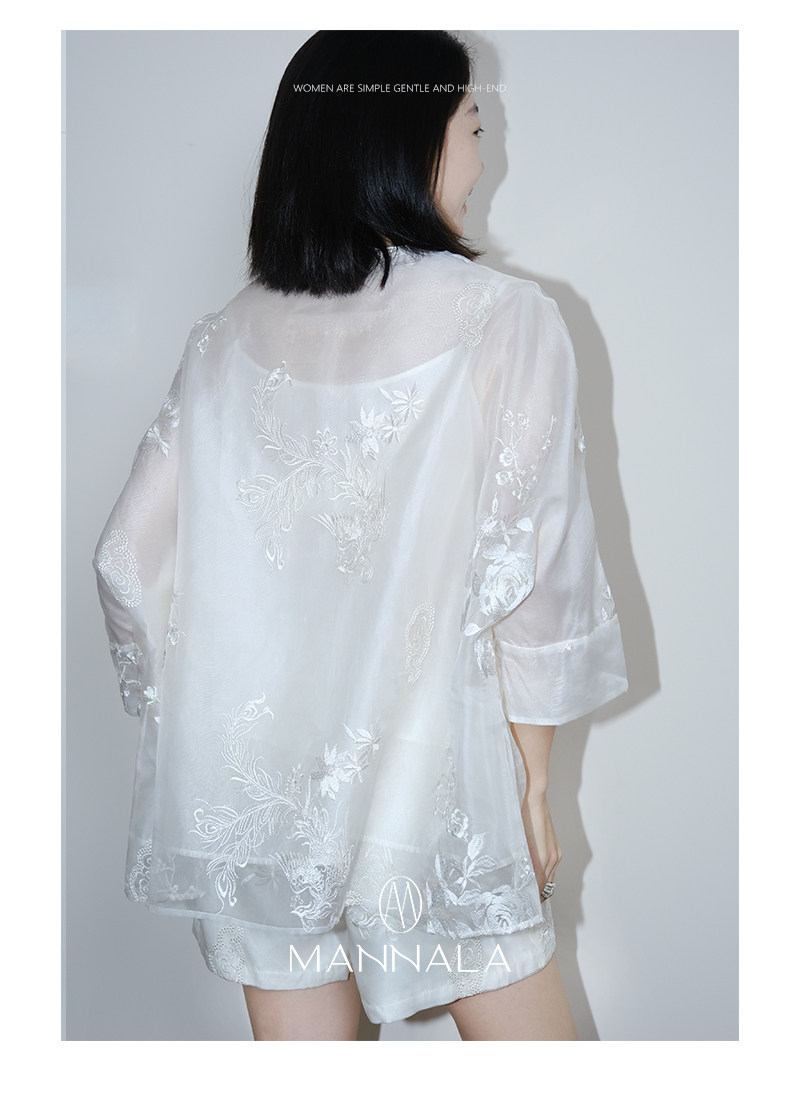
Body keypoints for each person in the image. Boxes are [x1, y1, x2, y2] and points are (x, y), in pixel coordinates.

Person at [93, 30, 627, 1041]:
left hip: (255, 791)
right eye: (474, 125)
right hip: (433, 782)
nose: (484, 157)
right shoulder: (506, 320)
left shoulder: (224, 338)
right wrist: (533, 779)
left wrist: (189, 713)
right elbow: (537, 573)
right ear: (407, 136)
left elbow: (124, 560)